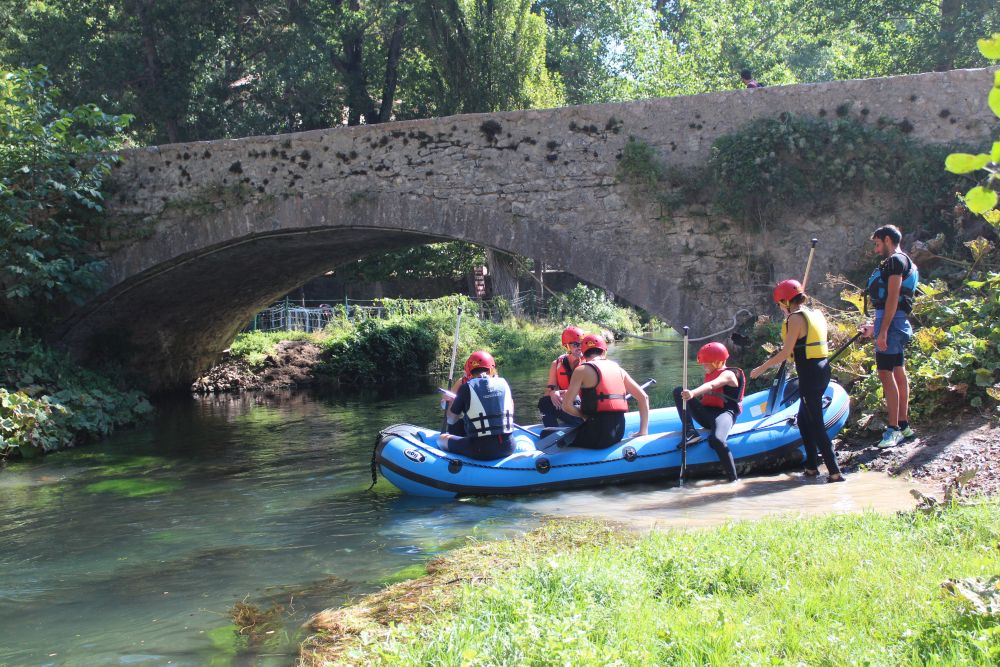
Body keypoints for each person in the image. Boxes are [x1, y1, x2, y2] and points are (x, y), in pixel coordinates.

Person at [750, 280, 845, 482]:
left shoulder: (795, 319)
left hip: (810, 374)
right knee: (803, 420)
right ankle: (811, 467)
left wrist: (761, 368)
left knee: (816, 423)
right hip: (820, 369)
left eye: (779, 303)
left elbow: (786, 352)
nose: (778, 307)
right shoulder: (813, 314)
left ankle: (835, 472)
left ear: (785, 301)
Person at [859, 224, 918, 448]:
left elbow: (893, 297)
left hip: (892, 326)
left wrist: (882, 331)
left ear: (886, 239)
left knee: (886, 375)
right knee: (898, 371)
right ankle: (903, 426)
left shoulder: (895, 260)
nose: (876, 250)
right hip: (895, 323)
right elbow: (892, 304)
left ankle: (893, 429)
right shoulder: (905, 260)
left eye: (877, 244)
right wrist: (875, 327)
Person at [561, 334, 649, 449]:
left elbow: (566, 406)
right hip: (618, 433)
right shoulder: (619, 369)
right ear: (604, 352)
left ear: (583, 353)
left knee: (548, 434)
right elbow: (643, 397)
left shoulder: (581, 370)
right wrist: (642, 431)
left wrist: (584, 416)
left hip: (597, 436)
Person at [673, 342, 744, 482]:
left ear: (717, 362)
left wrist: (693, 393)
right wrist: (688, 395)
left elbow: (711, 385)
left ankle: (734, 479)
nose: (704, 366)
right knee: (678, 391)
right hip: (707, 414)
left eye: (706, 363)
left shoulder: (729, 374)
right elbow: (708, 391)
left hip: (725, 413)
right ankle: (690, 432)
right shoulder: (711, 372)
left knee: (716, 440)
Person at [439, 350, 516, 460]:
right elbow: (511, 411)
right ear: (491, 369)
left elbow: (451, 420)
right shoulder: (504, 384)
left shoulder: (466, 387)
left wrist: (451, 403)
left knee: (441, 439)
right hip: (509, 446)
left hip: (481, 450)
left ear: (469, 371)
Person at [537, 325, 586, 428]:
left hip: (586, 408)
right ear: (567, 346)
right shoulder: (556, 364)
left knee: (574, 397)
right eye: (576, 344)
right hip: (569, 406)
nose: (580, 347)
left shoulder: (589, 363)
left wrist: (565, 392)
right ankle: (552, 432)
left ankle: (581, 426)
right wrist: (553, 393)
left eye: (582, 343)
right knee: (544, 402)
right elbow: (549, 391)